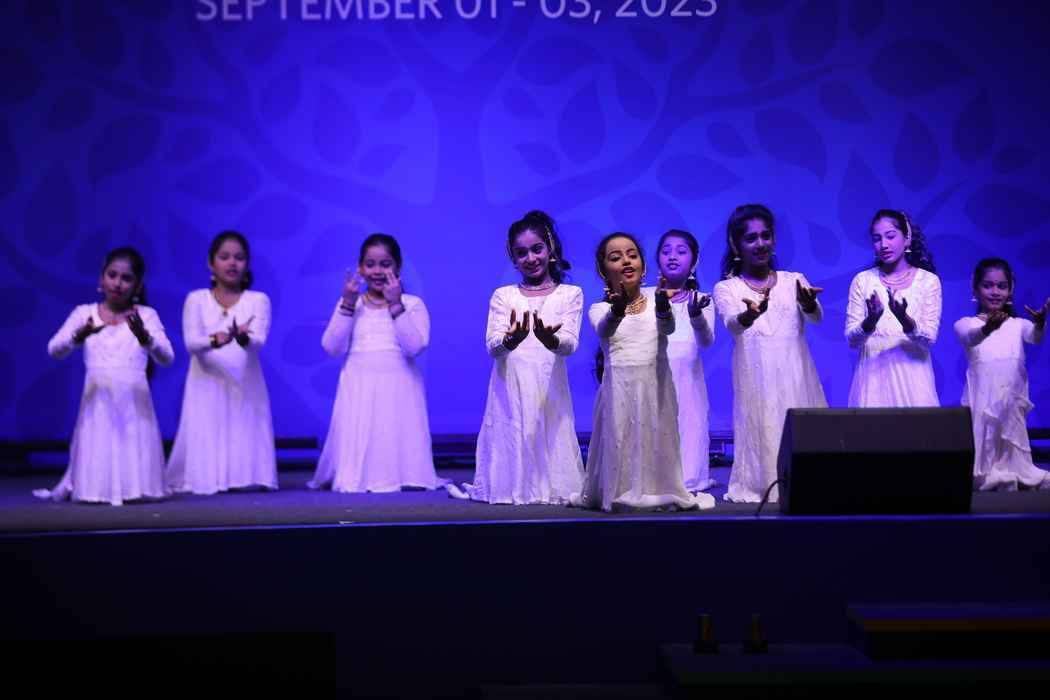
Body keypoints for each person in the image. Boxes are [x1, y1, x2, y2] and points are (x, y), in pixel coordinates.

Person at [449, 211, 584, 504]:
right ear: (513, 258)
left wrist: (551, 340)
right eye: (521, 253)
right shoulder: (504, 296)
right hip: (509, 385)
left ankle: (547, 488)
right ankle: (510, 487)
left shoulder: (570, 294)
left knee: (547, 429)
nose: (530, 258)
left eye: (537, 249)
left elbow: (570, 344)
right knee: (512, 431)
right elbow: (493, 346)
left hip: (548, 385)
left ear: (550, 249)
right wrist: (510, 340)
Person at [573, 232, 714, 512]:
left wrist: (662, 307)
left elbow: (667, 328)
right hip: (619, 390)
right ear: (604, 271)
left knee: (655, 439)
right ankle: (619, 489)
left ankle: (655, 488)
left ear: (643, 265)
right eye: (616, 257)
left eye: (632, 255)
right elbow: (605, 330)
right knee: (621, 439)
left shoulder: (656, 301)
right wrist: (618, 310)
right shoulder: (599, 308)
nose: (626, 261)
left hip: (655, 387)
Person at [34, 247, 173, 505]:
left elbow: (167, 358)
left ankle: (134, 488)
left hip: (133, 400)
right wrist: (79, 335)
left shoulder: (146, 316)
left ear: (137, 285)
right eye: (112, 275)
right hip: (97, 399)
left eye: (126, 278)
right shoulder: (84, 313)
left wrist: (145, 338)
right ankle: (95, 488)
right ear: (101, 278)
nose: (118, 283)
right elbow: (54, 350)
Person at [309, 234, 442, 493]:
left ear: (398, 267)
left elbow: (415, 346)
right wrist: (347, 303)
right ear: (360, 268)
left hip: (399, 384)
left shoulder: (412, 304)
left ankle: (401, 475)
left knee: (392, 430)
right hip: (358, 382)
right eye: (370, 264)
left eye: (385, 264)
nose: (377, 271)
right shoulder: (352, 304)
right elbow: (331, 347)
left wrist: (395, 304)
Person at [712, 204, 827, 503]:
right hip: (757, 374)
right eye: (751, 238)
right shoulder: (727, 288)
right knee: (763, 426)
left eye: (766, 236)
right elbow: (733, 325)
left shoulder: (793, 280)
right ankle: (765, 484)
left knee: (797, 425)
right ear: (736, 245)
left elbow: (816, 318)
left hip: (795, 372)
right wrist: (749, 316)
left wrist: (809, 304)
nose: (760, 243)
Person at [167, 230, 278, 495]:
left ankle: (242, 477)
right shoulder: (196, 299)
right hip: (205, 382)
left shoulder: (258, 300)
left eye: (239, 258)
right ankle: (206, 477)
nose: (232, 263)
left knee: (243, 424)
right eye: (224, 257)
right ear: (211, 262)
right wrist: (215, 340)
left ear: (247, 264)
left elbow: (258, 342)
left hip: (244, 382)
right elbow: (191, 343)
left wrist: (241, 338)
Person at [955, 258, 1050, 490]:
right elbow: (970, 338)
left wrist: (1040, 323)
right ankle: (987, 473)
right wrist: (988, 328)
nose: (995, 292)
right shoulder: (965, 323)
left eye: (1002, 286)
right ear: (976, 289)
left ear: (1010, 290)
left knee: (1011, 438)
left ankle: (1015, 470)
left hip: (1011, 398)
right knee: (984, 436)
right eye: (988, 285)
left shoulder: (1018, 324)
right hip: (983, 398)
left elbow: (1035, 337)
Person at [845, 209, 941, 407]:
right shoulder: (863, 281)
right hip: (872, 383)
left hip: (914, 382)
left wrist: (904, 319)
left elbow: (929, 339)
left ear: (907, 239)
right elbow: (852, 341)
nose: (884, 244)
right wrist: (870, 321)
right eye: (877, 239)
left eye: (890, 236)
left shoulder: (928, 281)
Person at [655, 229, 716, 492]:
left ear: (693, 261)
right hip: (654, 377)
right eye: (666, 251)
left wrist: (695, 316)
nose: (672, 256)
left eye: (681, 251)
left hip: (687, 380)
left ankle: (689, 481)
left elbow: (706, 341)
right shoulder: (646, 297)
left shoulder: (702, 300)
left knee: (688, 426)